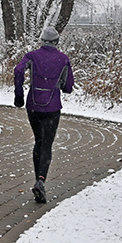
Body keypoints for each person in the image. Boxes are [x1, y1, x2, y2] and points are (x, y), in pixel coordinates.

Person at [13, 26, 74, 203]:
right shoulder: (63, 59)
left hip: (33, 104)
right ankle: (41, 180)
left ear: (42, 40)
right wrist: (60, 85)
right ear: (56, 41)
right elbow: (68, 87)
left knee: (38, 141)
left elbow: (18, 70)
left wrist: (19, 95)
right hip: (53, 106)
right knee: (47, 144)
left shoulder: (32, 56)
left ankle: (37, 179)